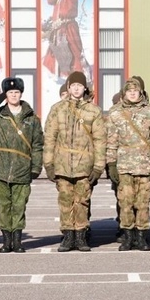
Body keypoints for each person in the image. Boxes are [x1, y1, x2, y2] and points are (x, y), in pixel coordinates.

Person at [0, 77, 44, 253]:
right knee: (3, 206)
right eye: (10, 92)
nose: (14, 95)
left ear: (21, 94)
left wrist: (36, 167)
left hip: (22, 169)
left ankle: (18, 241)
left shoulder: (31, 118)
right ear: (5, 95)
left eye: (16, 92)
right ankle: (6, 241)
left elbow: (37, 145)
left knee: (19, 206)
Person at [44, 71, 106, 252]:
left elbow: (100, 141)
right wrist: (48, 164)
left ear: (84, 88)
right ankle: (67, 236)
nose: (77, 89)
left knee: (82, 201)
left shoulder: (94, 111)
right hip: (62, 164)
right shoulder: (58, 109)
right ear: (68, 88)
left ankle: (80, 235)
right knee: (65, 201)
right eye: (73, 86)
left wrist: (98, 166)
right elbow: (50, 137)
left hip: (84, 165)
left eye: (80, 86)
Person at [106, 77, 150, 251]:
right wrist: (111, 163)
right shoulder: (115, 113)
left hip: (145, 165)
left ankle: (141, 237)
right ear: (124, 93)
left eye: (135, 90)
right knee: (125, 203)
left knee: (143, 203)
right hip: (123, 166)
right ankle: (128, 237)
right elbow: (111, 141)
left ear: (141, 92)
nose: (132, 94)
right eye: (129, 91)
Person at [43, 0, 89, 81]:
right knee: (55, 50)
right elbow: (49, 0)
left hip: (70, 29)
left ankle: (78, 76)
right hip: (58, 30)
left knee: (74, 50)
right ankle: (58, 74)